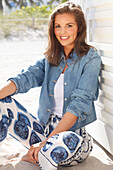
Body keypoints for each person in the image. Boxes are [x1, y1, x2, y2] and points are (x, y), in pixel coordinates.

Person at [0, 1, 101, 170]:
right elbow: (24, 79)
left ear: (79, 27)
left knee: (57, 144)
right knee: (2, 104)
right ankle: (39, 153)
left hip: (70, 138)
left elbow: (78, 106)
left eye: (69, 26)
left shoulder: (90, 58)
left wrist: (45, 143)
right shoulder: (51, 57)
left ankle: (41, 154)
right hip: (43, 133)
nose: (62, 32)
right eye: (57, 26)